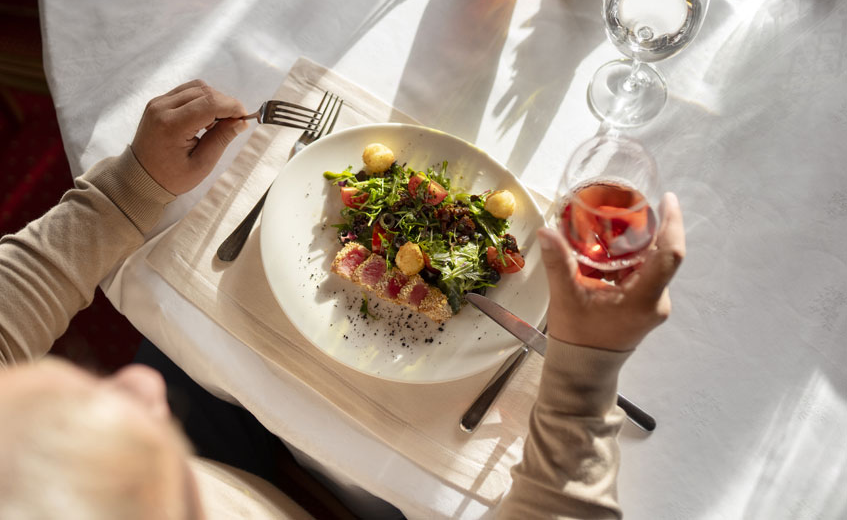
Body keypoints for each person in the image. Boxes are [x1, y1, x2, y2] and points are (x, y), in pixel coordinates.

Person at [0, 80, 684, 519]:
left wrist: (129, 189)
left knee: (187, 345)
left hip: (207, 466)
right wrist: (585, 368)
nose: (140, 383)